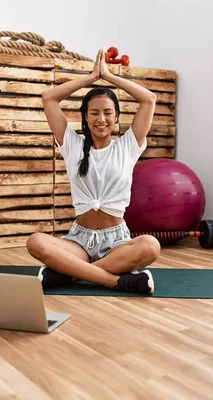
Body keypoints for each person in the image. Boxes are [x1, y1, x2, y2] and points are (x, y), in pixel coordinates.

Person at [25, 48, 161, 294]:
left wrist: (108, 76)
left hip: (117, 242)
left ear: (116, 117)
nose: (101, 119)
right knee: (35, 242)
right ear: (85, 118)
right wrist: (91, 77)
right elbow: (49, 98)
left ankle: (72, 274)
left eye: (108, 113)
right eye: (94, 113)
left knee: (151, 246)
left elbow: (148, 99)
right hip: (79, 240)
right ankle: (114, 280)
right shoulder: (72, 145)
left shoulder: (128, 146)